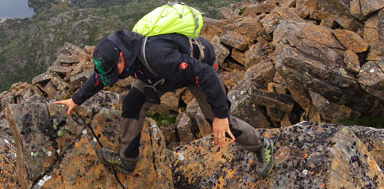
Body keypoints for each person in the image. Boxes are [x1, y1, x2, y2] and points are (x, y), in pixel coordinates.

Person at [55, 29, 274, 177]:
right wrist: (76, 99)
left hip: (198, 70)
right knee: (132, 102)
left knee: (220, 121)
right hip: (161, 75)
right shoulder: (122, 57)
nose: (114, 77)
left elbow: (205, 74)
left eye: (116, 71)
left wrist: (220, 116)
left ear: (121, 57)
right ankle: (127, 159)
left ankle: (261, 145)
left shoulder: (156, 57)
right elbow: (100, 76)